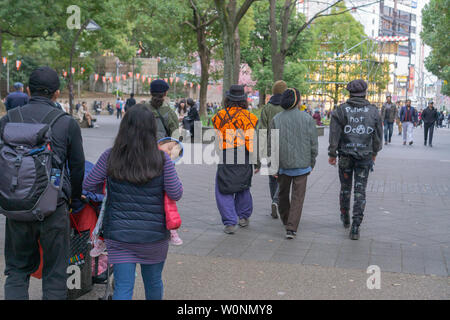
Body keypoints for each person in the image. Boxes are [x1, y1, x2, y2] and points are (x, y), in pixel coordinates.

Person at [0, 66, 85, 299]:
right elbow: (77, 168)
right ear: (56, 94)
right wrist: (75, 200)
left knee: (17, 270)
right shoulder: (66, 122)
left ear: (28, 90)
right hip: (53, 206)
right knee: (55, 274)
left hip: (16, 207)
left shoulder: (8, 119)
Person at [83, 104, 182, 300]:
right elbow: (176, 192)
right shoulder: (162, 159)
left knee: (123, 287)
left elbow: (88, 184)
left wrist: (107, 190)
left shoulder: (111, 156)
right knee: (153, 282)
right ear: (152, 130)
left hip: (119, 235)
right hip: (153, 235)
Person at [328, 79, 382, 240]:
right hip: (365, 156)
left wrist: (332, 153)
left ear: (349, 93)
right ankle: (356, 226)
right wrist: (374, 152)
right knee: (360, 190)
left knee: (345, 188)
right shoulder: (373, 111)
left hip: (345, 155)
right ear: (365, 93)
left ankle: (344, 215)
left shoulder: (340, 110)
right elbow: (378, 136)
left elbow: (334, 135)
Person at [270, 88, 318, 239]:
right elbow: (313, 144)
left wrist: (273, 165)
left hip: (283, 165)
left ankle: (286, 220)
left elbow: (272, 145)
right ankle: (291, 227)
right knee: (298, 197)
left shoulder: (276, 119)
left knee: (283, 195)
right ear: (297, 100)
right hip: (302, 165)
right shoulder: (307, 118)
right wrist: (312, 162)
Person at [212, 85, 258, 234]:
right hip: (244, 155)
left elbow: (217, 138)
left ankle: (229, 222)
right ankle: (243, 217)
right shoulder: (250, 118)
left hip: (226, 154)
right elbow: (252, 141)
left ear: (227, 99)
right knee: (243, 186)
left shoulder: (219, 116)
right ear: (243, 100)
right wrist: (256, 160)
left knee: (223, 188)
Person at [258, 80, 287, 219]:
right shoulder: (288, 107)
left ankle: (273, 201)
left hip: (270, 146)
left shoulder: (267, 108)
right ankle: (277, 201)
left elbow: (262, 130)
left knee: (272, 177)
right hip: (285, 146)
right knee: (284, 176)